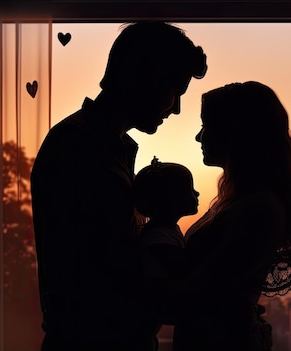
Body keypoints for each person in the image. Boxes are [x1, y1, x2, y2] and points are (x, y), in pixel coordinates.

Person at [30, 22, 207, 350]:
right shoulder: (76, 147)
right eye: (175, 92)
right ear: (144, 79)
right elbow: (96, 269)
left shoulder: (107, 146)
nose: (177, 109)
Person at [154, 81, 291, 350]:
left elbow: (199, 295)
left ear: (235, 132)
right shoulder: (243, 203)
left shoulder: (257, 209)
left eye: (206, 125)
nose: (199, 137)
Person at [133, 156, 200, 350]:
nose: (196, 192)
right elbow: (183, 267)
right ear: (171, 198)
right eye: (189, 188)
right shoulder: (160, 235)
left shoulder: (165, 231)